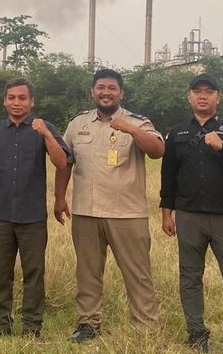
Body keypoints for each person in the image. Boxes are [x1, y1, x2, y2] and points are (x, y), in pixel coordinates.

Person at [56, 68, 166, 343]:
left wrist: (129, 128)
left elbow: (157, 150)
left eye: (112, 88)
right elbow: (65, 162)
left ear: (121, 93)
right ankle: (88, 324)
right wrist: (59, 197)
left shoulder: (138, 122)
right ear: (93, 91)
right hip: (86, 211)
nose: (106, 92)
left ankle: (145, 327)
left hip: (127, 212)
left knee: (137, 273)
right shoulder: (78, 124)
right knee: (87, 272)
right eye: (100, 87)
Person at [160, 73, 223, 354]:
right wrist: (166, 214)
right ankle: (196, 333)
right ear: (189, 96)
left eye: (209, 91)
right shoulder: (178, 132)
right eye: (197, 91)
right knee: (190, 278)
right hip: (188, 216)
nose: (202, 96)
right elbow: (168, 176)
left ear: (218, 97)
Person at [0, 78, 70, 339]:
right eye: (12, 98)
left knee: (34, 273)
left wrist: (47, 134)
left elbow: (62, 162)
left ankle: (32, 326)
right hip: (1, 216)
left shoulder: (43, 128)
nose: (17, 103)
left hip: (33, 218)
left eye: (22, 98)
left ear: (32, 101)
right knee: (1, 273)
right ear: (5, 101)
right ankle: (0, 325)